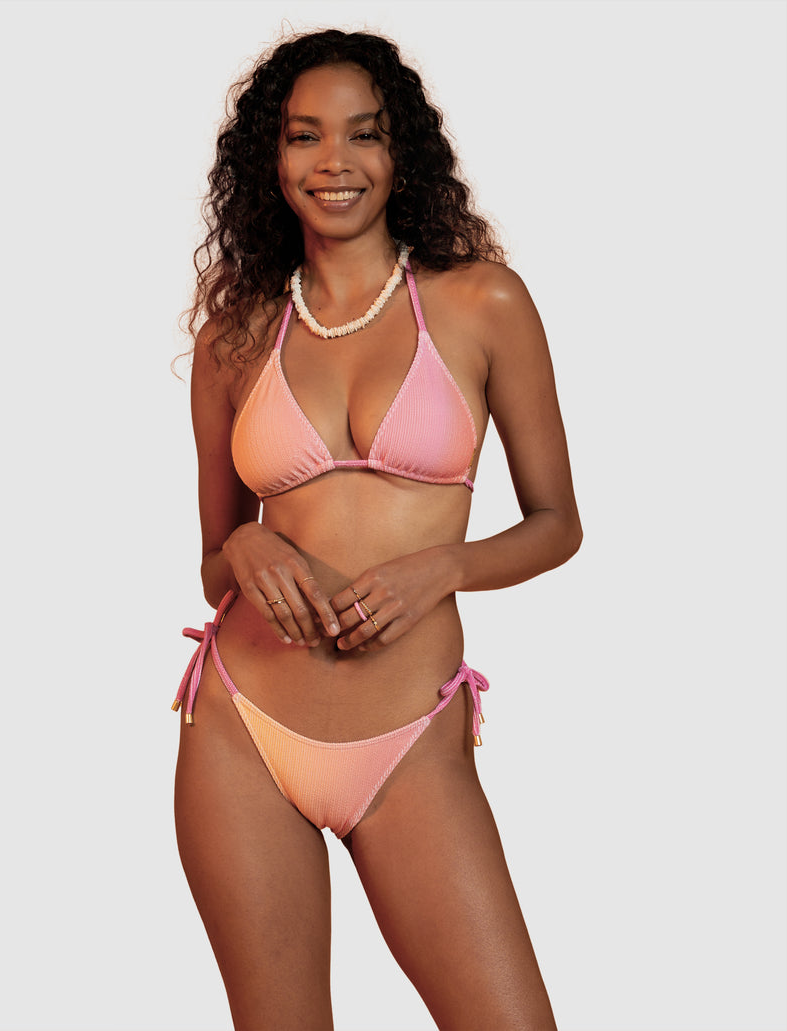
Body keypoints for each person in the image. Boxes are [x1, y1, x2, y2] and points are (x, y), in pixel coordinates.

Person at [173, 28, 581, 1030]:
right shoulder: (234, 336)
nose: (335, 162)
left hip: (409, 743)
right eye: (304, 135)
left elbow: (556, 523)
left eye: (364, 134)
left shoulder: (481, 301)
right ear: (272, 159)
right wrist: (246, 547)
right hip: (243, 730)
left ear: (402, 153)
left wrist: (440, 568)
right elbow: (214, 559)